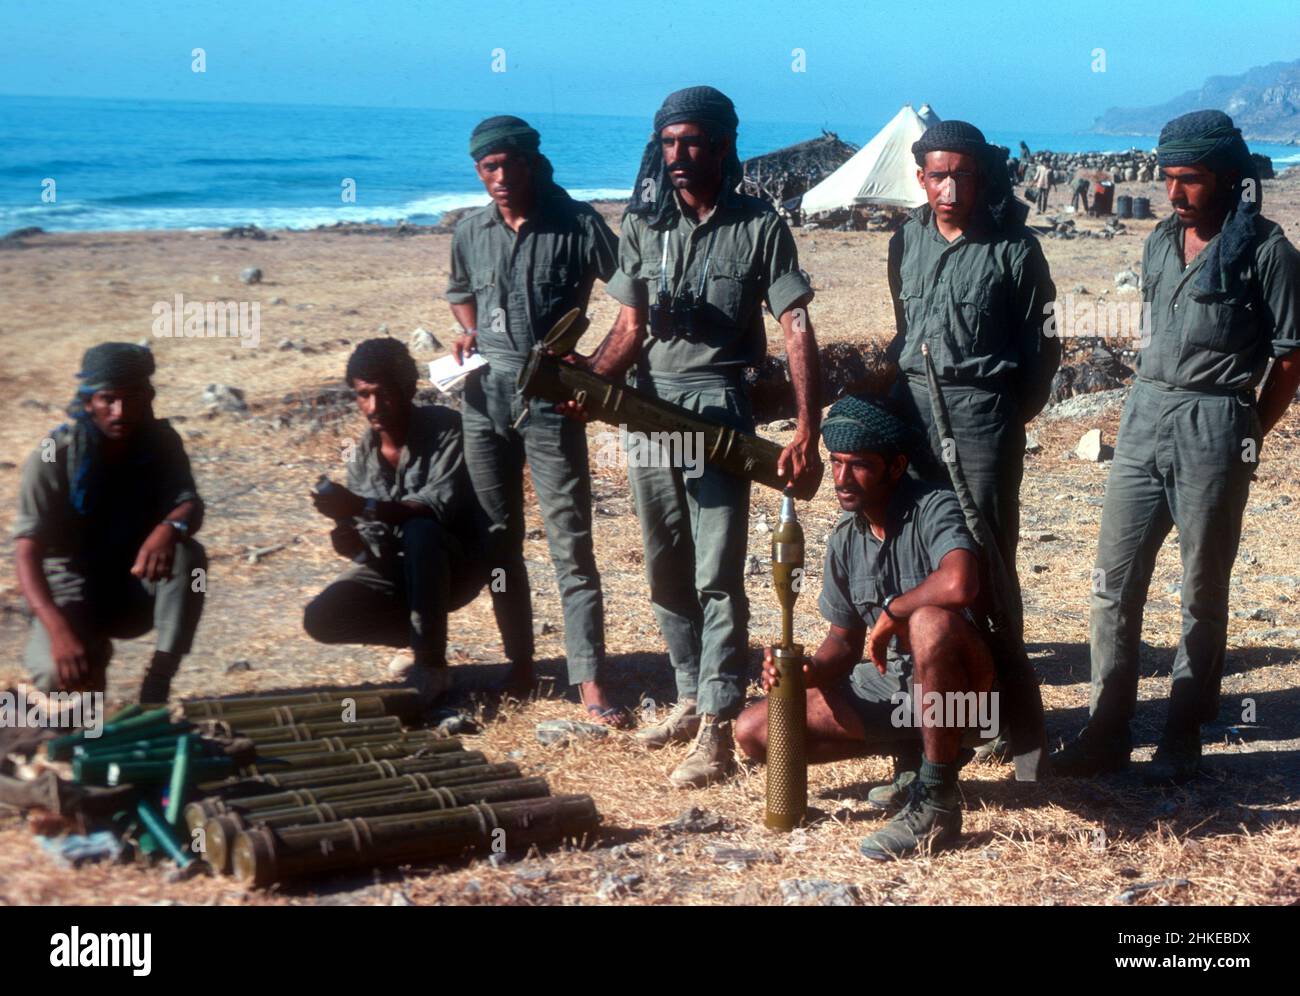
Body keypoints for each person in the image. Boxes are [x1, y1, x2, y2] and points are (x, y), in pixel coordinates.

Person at [562, 85, 822, 787]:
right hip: (650, 410)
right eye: (670, 143)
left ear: (723, 146)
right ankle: (685, 696)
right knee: (664, 564)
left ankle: (715, 720)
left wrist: (807, 425)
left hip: (718, 410)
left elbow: (796, 326)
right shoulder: (643, 226)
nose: (680, 156)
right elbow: (626, 328)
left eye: (694, 143)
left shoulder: (761, 227)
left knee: (716, 572)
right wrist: (589, 382)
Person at [1053, 110, 1300, 784]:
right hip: (1143, 416)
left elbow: (1289, 358)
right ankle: (1107, 730)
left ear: (1225, 177)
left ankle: (1183, 734)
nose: (1174, 192)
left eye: (1188, 179)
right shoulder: (1160, 241)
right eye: (1166, 178)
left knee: (1201, 589)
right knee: (1112, 581)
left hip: (1216, 425)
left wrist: (1246, 431)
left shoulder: (1268, 252)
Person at [735, 395, 994, 859]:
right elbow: (843, 641)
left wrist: (895, 612)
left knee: (930, 623)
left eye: (858, 466)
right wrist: (808, 672)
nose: (840, 479)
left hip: (969, 697)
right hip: (889, 691)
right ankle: (912, 757)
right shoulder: (845, 538)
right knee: (755, 730)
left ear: (895, 467)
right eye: (835, 463)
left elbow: (960, 583)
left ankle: (936, 800)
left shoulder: (934, 508)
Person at [445, 115, 622, 718]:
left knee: (571, 541)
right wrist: (467, 334)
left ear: (528, 163)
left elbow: (631, 293)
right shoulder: (470, 230)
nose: (496, 177)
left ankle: (591, 680)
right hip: (483, 400)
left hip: (551, 402)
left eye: (505, 165)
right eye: (486, 168)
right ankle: (520, 666)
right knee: (498, 541)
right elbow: (459, 290)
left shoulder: (576, 225)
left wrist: (597, 368)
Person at [14, 343, 206, 702]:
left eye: (132, 398)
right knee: (60, 678)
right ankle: (87, 650)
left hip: (132, 584)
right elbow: (26, 552)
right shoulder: (53, 455)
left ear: (147, 398)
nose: (121, 412)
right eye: (108, 400)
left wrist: (170, 527)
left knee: (189, 559)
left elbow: (189, 502)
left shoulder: (161, 442)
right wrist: (59, 632)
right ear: (88, 402)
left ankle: (158, 681)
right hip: (68, 587)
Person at [304, 339, 490, 705]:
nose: (373, 407)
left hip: (456, 566)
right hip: (399, 569)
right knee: (321, 618)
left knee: (421, 531)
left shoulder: (447, 430)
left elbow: (431, 509)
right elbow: (375, 539)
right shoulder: (363, 453)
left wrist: (362, 505)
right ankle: (419, 637)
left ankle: (430, 664)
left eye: (382, 394)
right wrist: (352, 541)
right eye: (363, 395)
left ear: (405, 389)